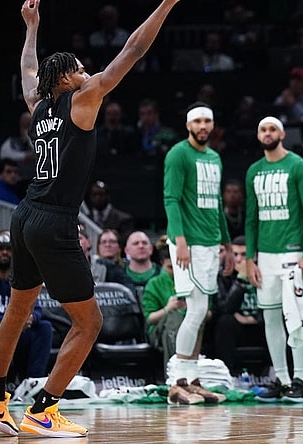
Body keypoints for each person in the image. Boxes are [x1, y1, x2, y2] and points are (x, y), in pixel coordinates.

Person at [0, 0, 180, 437]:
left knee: (18, 306)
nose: (89, 71)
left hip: (24, 215)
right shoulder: (83, 99)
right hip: (53, 221)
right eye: (81, 68)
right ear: (67, 77)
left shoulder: (40, 106)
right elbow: (133, 50)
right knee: (90, 323)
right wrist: (165, 5)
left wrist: (31, 27)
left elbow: (29, 71)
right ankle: (43, 409)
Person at [245, 116, 303, 402]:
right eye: (263, 129)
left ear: (282, 134)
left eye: (272, 129)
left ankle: (300, 378)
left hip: (293, 252)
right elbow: (250, 218)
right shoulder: (253, 170)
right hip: (264, 256)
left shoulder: (298, 166)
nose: (267, 133)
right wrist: (250, 258)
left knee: (298, 317)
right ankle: (282, 379)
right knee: (271, 318)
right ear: (258, 135)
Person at [162, 101, 233, 387]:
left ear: (212, 125)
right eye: (197, 122)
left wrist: (226, 243)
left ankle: (192, 378)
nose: (202, 126)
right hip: (187, 243)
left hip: (210, 242)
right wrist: (180, 241)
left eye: (207, 121)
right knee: (195, 310)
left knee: (202, 312)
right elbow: (171, 199)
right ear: (188, 125)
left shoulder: (215, 157)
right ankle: (179, 379)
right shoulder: (178, 154)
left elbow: (217, 204)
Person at [0, 231, 52, 384]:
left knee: (44, 327)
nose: (5, 252)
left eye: (9, 249)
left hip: (20, 332)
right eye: (0, 249)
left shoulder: (21, 275)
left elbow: (38, 309)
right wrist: (13, 322)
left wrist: (31, 317)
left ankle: (33, 383)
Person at [214, 235, 265, 376]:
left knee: (276, 321)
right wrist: (241, 280)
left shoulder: (266, 273)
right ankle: (226, 373)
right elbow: (224, 308)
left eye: (243, 255)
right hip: (236, 327)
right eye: (235, 254)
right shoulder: (223, 275)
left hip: (261, 324)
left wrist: (255, 317)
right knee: (224, 321)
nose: (238, 259)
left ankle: (278, 373)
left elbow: (276, 304)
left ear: (254, 256)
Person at [142, 246, 185, 376]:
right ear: (162, 264)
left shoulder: (192, 281)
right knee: (174, 317)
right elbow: (149, 319)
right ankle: (174, 376)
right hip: (159, 330)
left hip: (189, 324)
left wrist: (194, 308)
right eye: (170, 267)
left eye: (179, 266)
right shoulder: (154, 283)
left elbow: (210, 313)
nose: (175, 272)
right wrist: (167, 309)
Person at [0, 111, 35, 194]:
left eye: (29, 124)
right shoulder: (11, 141)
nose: (27, 128)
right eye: (24, 126)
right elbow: (5, 155)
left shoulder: (39, 141)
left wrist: (29, 139)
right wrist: (25, 156)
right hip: (16, 182)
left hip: (34, 181)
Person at [123, 230, 161, 299]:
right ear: (127, 250)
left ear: (151, 249)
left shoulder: (162, 274)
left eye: (144, 243)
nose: (141, 246)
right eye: (135, 243)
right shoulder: (119, 276)